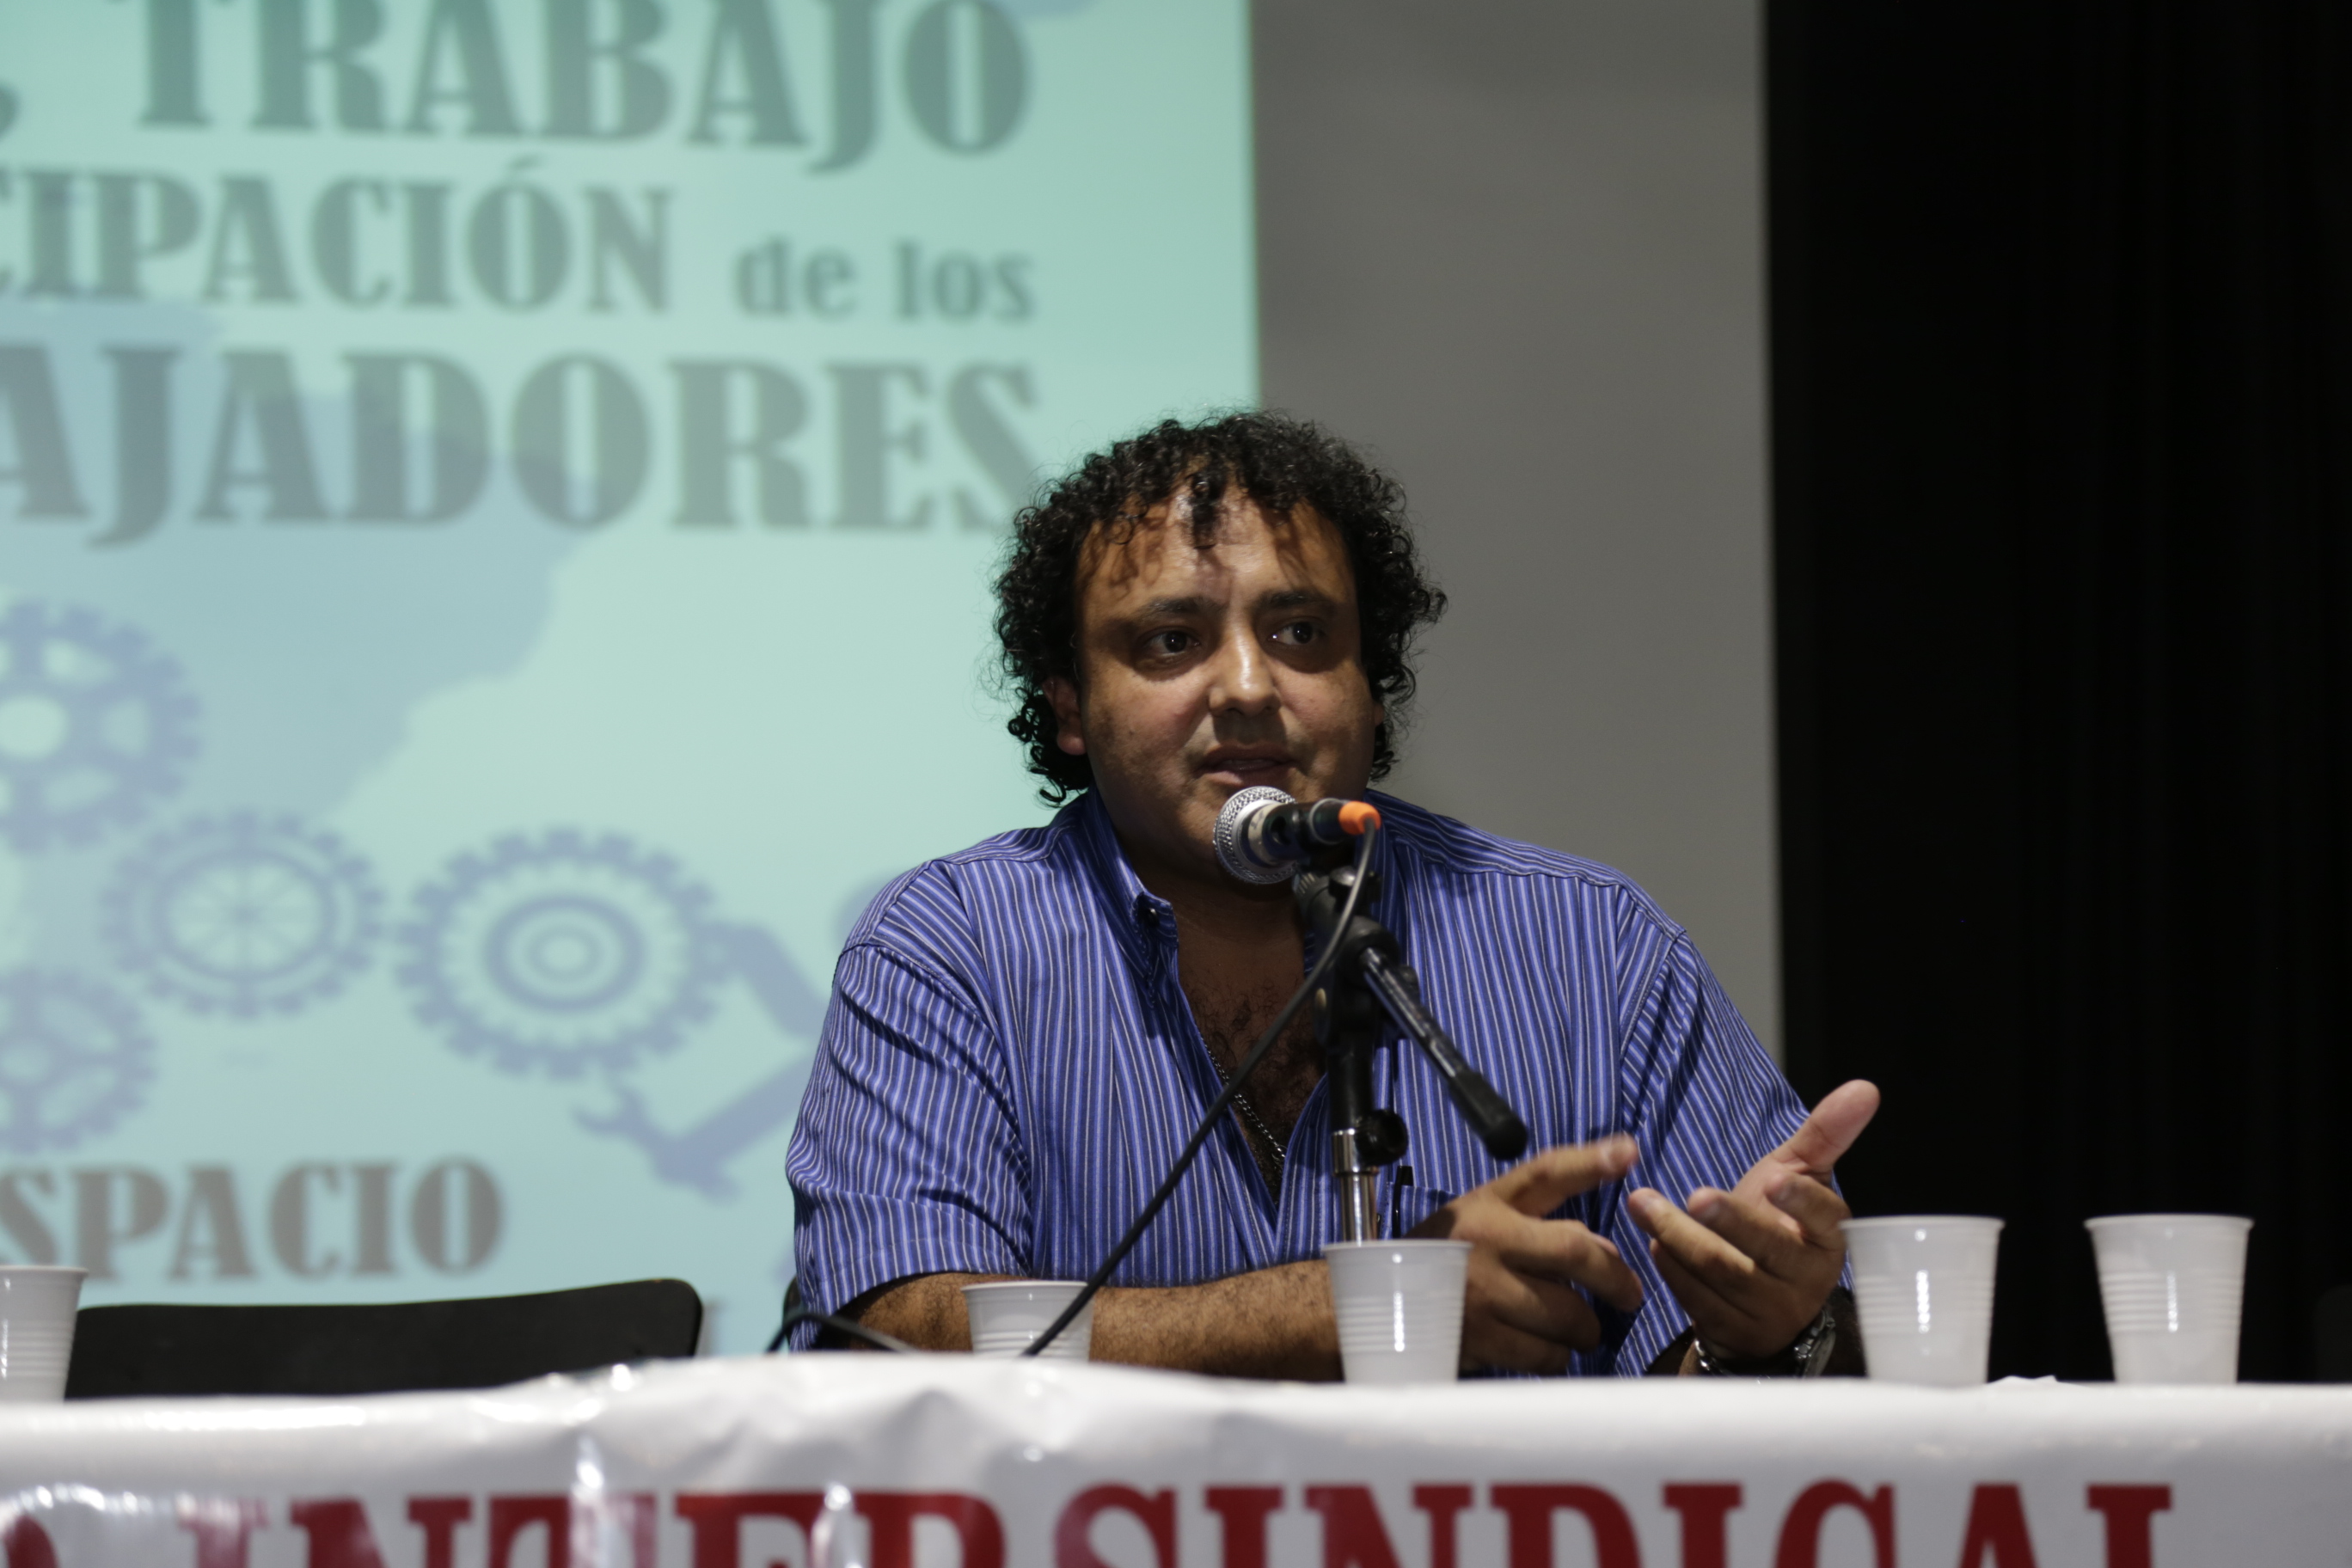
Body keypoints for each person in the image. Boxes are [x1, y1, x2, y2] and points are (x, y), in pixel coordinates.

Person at [785, 413, 1878, 1376]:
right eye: (1172, 641)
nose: (1249, 687)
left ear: (1371, 679)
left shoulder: (1594, 946)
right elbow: (897, 1339)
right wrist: (1366, 1310)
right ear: (1070, 707)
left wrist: (1766, 1331)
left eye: (1301, 634)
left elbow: (1734, 1381)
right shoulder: (952, 946)